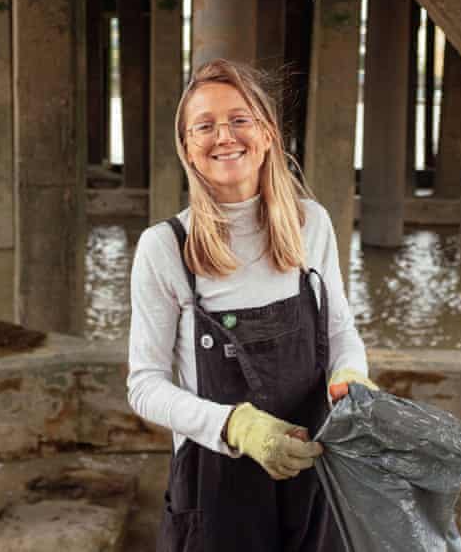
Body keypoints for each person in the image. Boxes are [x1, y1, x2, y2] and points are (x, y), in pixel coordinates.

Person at [126, 59, 378, 552]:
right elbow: (144, 386)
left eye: (239, 119)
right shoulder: (165, 248)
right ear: (188, 150)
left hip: (317, 473)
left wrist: (354, 379)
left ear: (266, 135)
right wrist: (235, 425)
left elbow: (341, 331)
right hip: (216, 490)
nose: (224, 136)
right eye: (204, 126)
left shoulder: (312, 224)